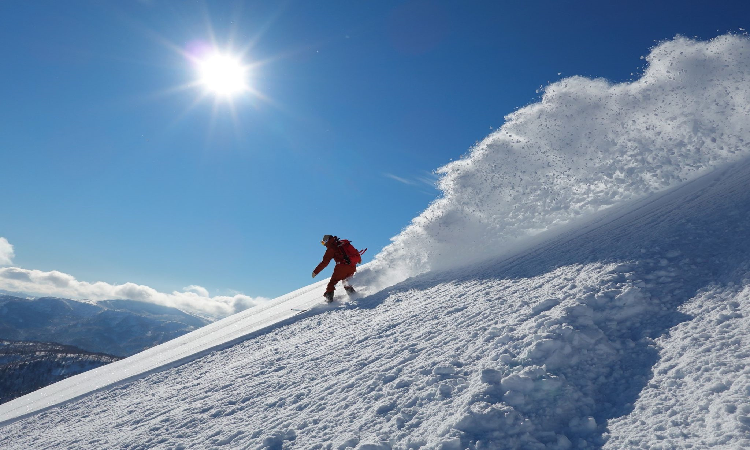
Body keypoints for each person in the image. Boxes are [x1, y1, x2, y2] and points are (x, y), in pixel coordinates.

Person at [312, 234, 357, 302]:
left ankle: (329, 302)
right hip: (352, 266)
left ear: (327, 241)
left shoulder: (331, 248)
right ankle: (354, 296)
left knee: (332, 283)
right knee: (346, 282)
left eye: (323, 242)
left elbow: (325, 262)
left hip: (341, 267)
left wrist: (315, 272)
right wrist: (358, 260)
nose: (324, 244)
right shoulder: (342, 243)